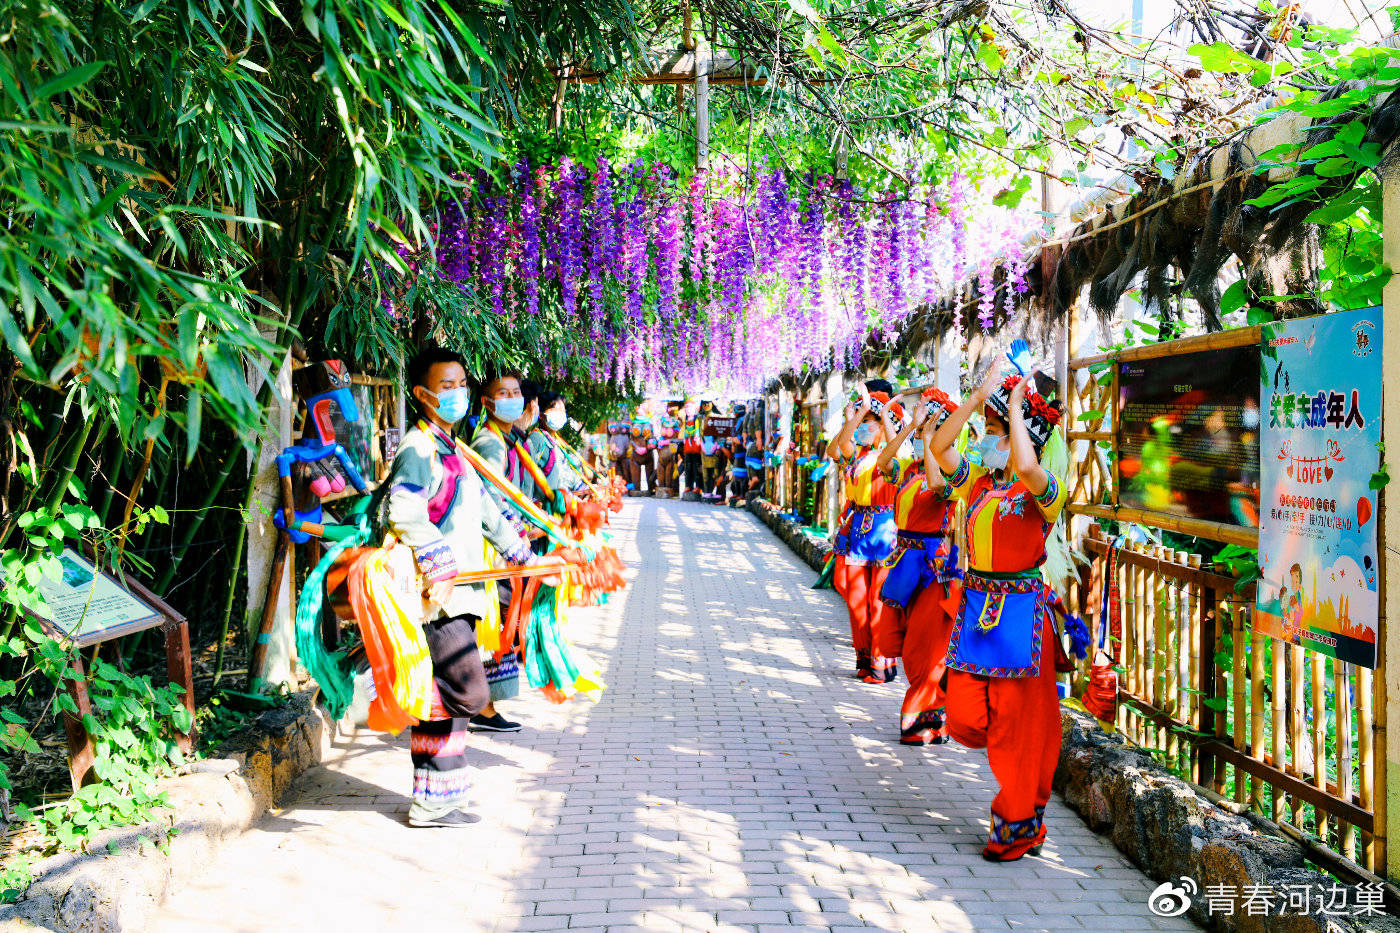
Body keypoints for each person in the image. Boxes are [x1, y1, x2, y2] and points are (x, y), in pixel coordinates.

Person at [387, 347, 559, 827]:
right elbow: (401, 508)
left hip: (464, 593)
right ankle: (432, 798)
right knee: (464, 688)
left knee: (449, 694)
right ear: (422, 394)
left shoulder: (452, 447)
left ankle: (435, 799)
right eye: (447, 386)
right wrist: (437, 560)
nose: (457, 393)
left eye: (461, 382)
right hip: (437, 597)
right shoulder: (419, 447)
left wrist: (527, 558)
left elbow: (487, 513)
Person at [929, 364, 1069, 862]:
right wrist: (977, 398)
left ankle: (1017, 820)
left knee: (1017, 725)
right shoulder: (981, 485)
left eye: (995, 433)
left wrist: (1013, 410)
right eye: (988, 431)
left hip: (1022, 616)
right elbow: (940, 450)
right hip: (978, 611)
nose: (985, 440)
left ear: (1019, 436)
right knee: (966, 716)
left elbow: (1030, 470)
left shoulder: (1043, 493)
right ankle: (1024, 792)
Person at [875, 389, 963, 745]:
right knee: (910, 643)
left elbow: (938, 485)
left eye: (934, 423)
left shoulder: (958, 472)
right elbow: (884, 463)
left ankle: (922, 716)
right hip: (903, 563)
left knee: (926, 646)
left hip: (932, 569)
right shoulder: (909, 470)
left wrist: (929, 439)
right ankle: (930, 716)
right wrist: (909, 428)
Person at [827, 380, 902, 683]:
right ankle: (864, 656)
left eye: (871, 423)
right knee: (857, 600)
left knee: (878, 602)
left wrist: (882, 416)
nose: (865, 428)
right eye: (864, 422)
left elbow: (894, 456)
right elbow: (834, 448)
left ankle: (881, 663)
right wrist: (853, 418)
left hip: (885, 533)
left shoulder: (891, 455)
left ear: (883, 425)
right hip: (857, 532)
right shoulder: (856, 454)